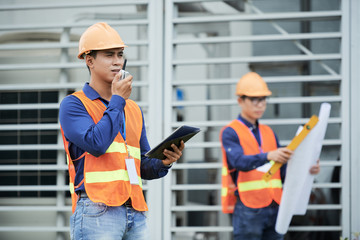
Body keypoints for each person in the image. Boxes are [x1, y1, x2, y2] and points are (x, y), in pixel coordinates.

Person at [59, 22, 184, 240]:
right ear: (89, 60)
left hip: (134, 209)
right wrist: (117, 99)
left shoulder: (132, 108)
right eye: (109, 55)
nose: (118, 61)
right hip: (96, 210)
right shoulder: (73, 105)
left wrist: (164, 161)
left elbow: (142, 166)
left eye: (120, 54)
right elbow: (96, 144)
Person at [220, 72, 320, 240]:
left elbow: (282, 170)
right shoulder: (230, 132)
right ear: (240, 101)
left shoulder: (269, 132)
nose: (260, 105)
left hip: (275, 205)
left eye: (263, 99)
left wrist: (307, 168)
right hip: (248, 207)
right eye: (254, 99)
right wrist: (269, 155)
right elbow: (238, 162)